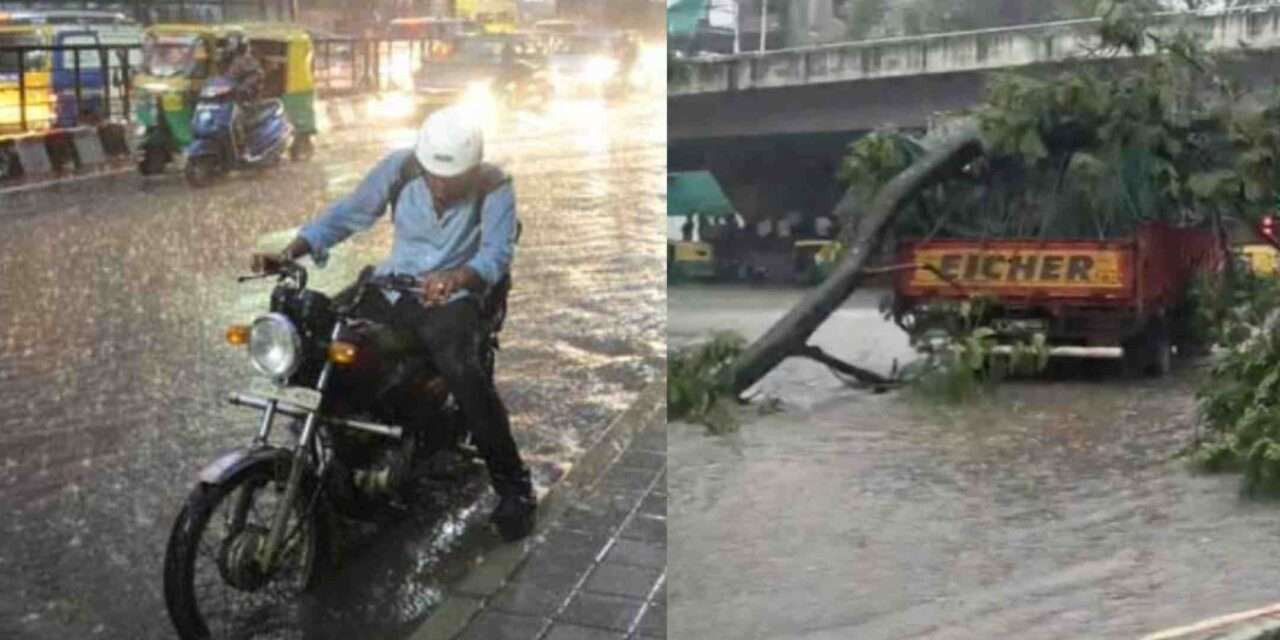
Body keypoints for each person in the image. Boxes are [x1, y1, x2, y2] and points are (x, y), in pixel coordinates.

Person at [251, 107, 536, 542]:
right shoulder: (400, 168)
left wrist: (456, 277)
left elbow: (497, 253)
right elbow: (350, 213)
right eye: (433, 176)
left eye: (452, 178)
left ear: (472, 169)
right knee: (322, 344)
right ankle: (346, 450)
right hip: (391, 287)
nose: (440, 186)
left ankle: (514, 485)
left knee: (463, 373)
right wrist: (293, 250)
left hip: (454, 299)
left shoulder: (495, 185)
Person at [217, 32, 264, 149]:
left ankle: (242, 148)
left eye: (232, 43)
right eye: (229, 43)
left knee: (236, 121)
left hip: (245, 100)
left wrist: (243, 87)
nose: (230, 46)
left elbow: (257, 75)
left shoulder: (246, 60)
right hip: (227, 99)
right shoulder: (225, 61)